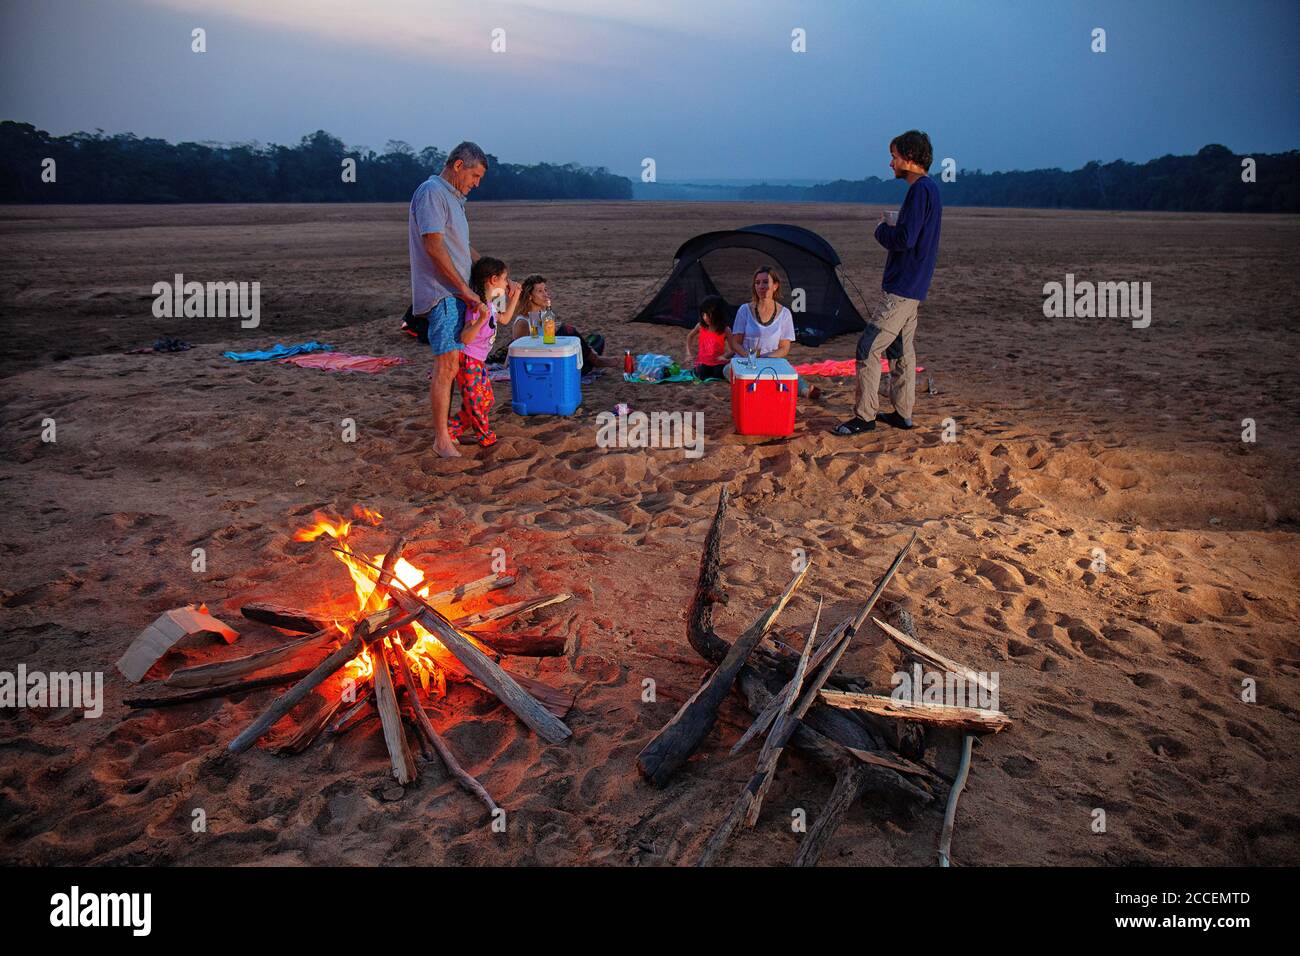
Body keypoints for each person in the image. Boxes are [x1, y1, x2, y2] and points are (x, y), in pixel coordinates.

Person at [834, 130, 943, 436]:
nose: (891, 163)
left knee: (868, 348)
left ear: (910, 158)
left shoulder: (920, 190)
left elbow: (906, 239)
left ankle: (864, 417)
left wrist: (882, 230)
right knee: (901, 350)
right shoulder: (929, 190)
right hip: (914, 286)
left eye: (894, 156)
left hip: (903, 287)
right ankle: (902, 413)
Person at [408, 141, 489, 459]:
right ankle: (441, 439)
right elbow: (434, 245)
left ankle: (449, 433)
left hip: (457, 293)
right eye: (475, 175)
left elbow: (461, 248)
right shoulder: (432, 192)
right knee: (446, 365)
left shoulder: (454, 200)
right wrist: (463, 290)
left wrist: (495, 276)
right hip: (443, 293)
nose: (476, 183)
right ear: (458, 165)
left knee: (455, 365)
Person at [449, 257, 520, 448]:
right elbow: (466, 338)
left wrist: (515, 297)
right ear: (493, 280)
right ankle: (485, 437)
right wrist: (481, 319)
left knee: (486, 399)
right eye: (505, 279)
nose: (507, 283)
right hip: (468, 360)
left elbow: (504, 319)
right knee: (476, 402)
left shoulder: (491, 304)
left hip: (479, 361)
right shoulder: (477, 307)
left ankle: (452, 430)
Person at [725, 266, 817, 397]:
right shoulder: (744, 310)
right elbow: (735, 343)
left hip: (771, 360)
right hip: (746, 361)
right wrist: (749, 357)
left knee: (788, 372)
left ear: (775, 285)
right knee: (728, 369)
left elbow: (784, 348)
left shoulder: (785, 314)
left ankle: (806, 392)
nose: (761, 286)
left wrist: (766, 358)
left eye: (765, 282)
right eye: (758, 283)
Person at [504, 274, 621, 369]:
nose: (546, 294)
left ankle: (590, 360)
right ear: (530, 296)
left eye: (545, 290)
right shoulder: (523, 322)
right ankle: (595, 360)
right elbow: (523, 352)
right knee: (568, 330)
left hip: (554, 354)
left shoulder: (546, 314)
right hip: (541, 363)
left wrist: (554, 333)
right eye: (540, 291)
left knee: (597, 338)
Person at [686, 294, 732, 380]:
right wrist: (689, 353)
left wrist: (725, 356)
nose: (705, 318)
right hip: (703, 362)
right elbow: (689, 337)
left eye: (709, 315)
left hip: (717, 362)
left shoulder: (725, 329)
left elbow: (732, 348)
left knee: (718, 373)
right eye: (703, 315)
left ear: (718, 315)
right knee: (701, 374)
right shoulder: (700, 326)